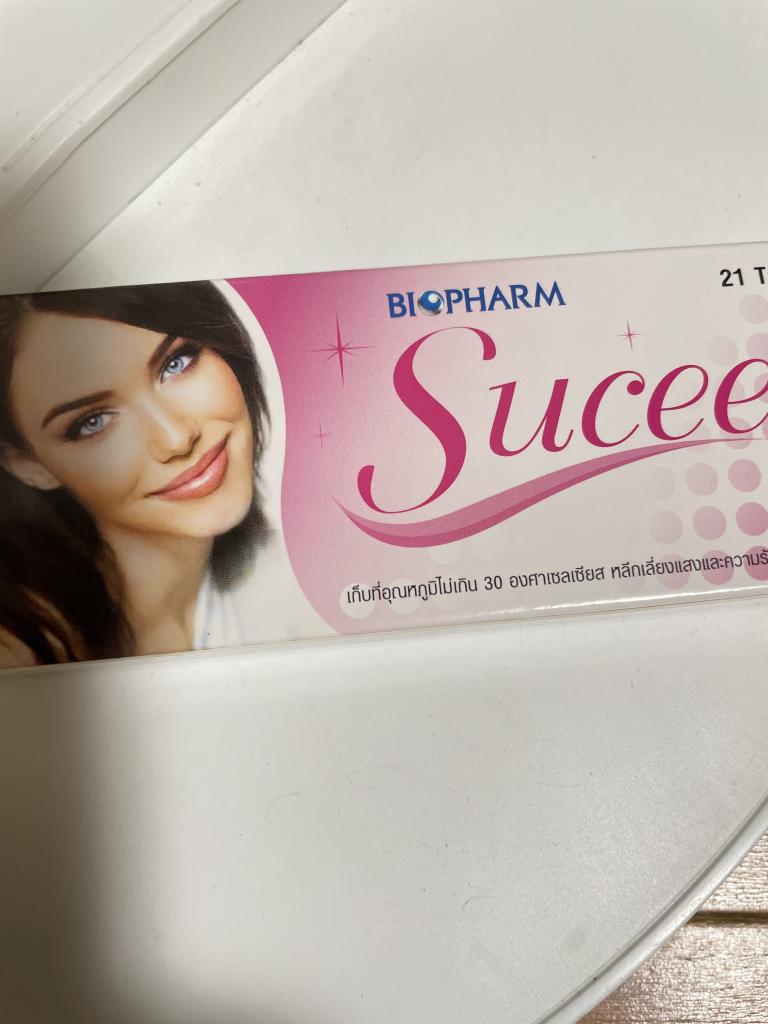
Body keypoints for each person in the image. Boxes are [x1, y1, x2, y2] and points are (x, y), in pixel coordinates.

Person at [0, 280, 312, 668]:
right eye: (94, 421)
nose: (176, 439)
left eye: (175, 363)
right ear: (29, 464)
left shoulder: (302, 580)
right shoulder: (25, 660)